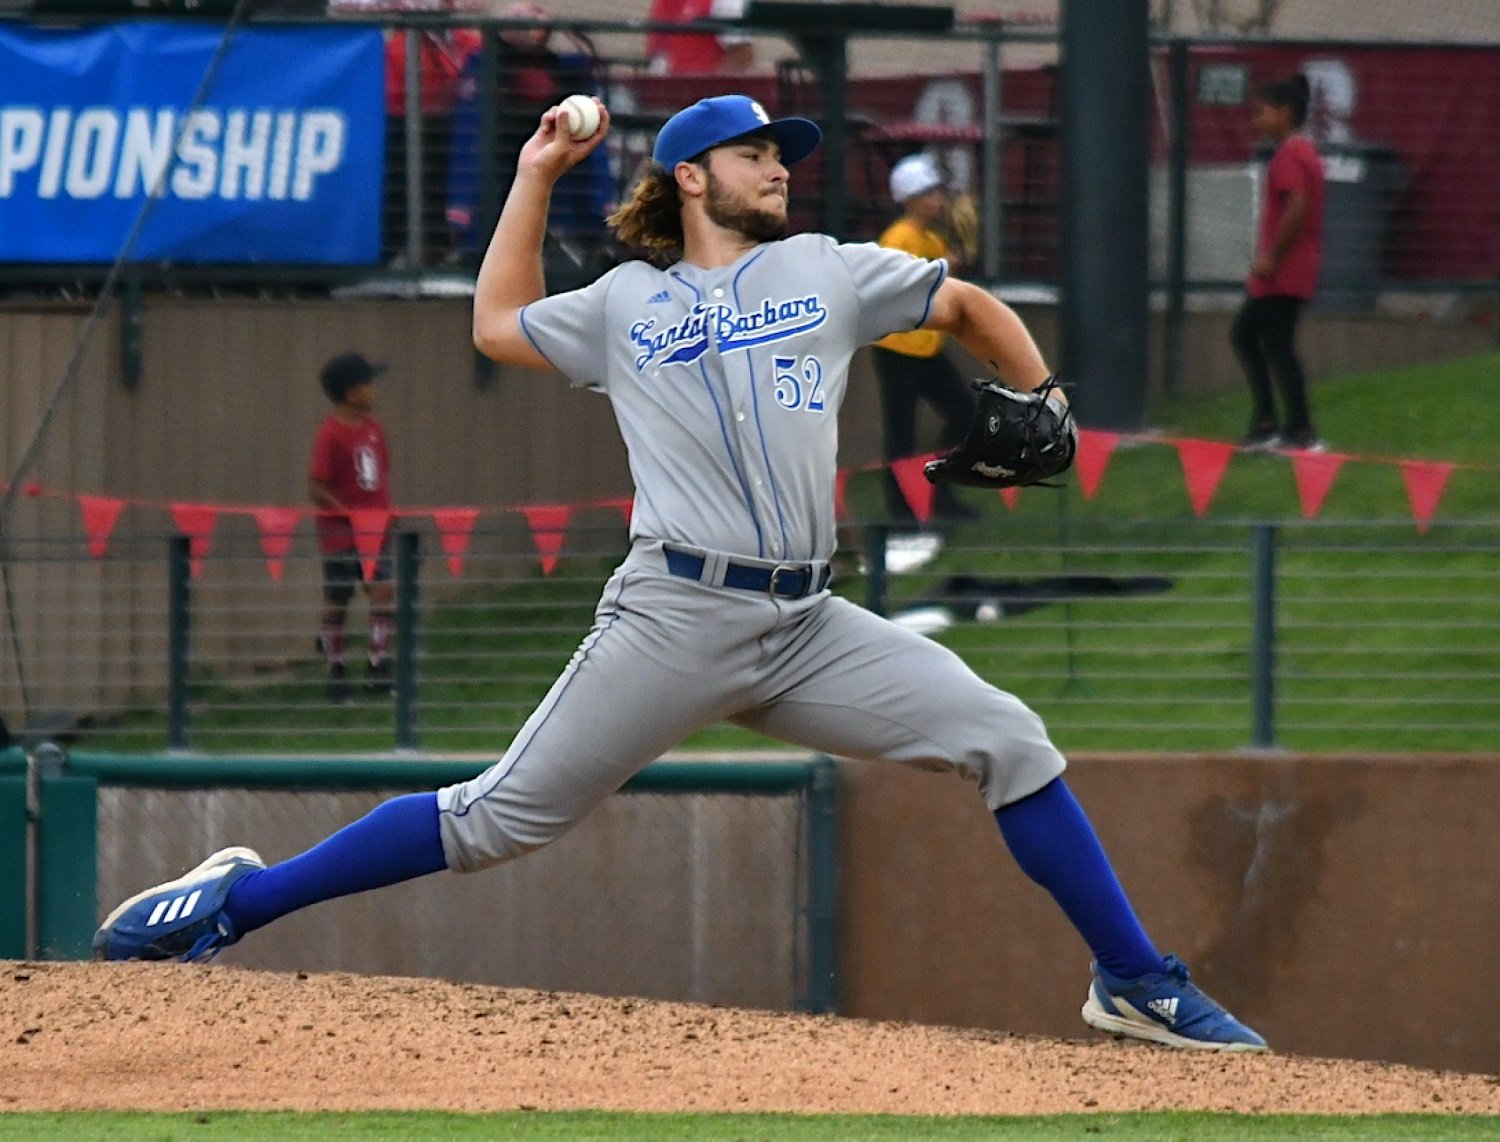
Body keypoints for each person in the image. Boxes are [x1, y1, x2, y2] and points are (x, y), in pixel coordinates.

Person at [93, 94, 1266, 1054]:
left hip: (807, 618)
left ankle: (1134, 977)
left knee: (1007, 734)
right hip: (673, 614)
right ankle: (233, 900)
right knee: (497, 818)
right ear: (692, 176)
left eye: (783, 153)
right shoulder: (623, 303)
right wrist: (540, 170)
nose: (780, 167)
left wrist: (1045, 393)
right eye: (755, 153)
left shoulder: (827, 268)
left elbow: (962, 302)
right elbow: (496, 323)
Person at [446, 2, 613, 265]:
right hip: (505, 156)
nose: (533, 34)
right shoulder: (484, 65)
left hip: (554, 157)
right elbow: (470, 135)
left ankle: (575, 249)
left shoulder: (563, 66)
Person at [872, 153, 980, 524]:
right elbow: (911, 282)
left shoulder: (929, 237)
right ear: (911, 198)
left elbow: (945, 271)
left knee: (965, 413)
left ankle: (939, 492)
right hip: (899, 347)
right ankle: (902, 511)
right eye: (931, 193)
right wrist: (948, 261)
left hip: (927, 347)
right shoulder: (898, 238)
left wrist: (962, 248)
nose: (939, 200)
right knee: (901, 430)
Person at [1232, 72, 1326, 452]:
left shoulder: (1290, 155)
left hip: (1284, 270)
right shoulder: (1305, 153)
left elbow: (1298, 207)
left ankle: (1294, 428)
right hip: (1293, 268)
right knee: (1256, 338)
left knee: (1265, 341)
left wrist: (1271, 257)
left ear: (1286, 113)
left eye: (1262, 112)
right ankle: (1272, 423)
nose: (1256, 121)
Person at [308, 352, 396, 704]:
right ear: (349, 391)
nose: (374, 390)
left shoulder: (374, 429)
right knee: (338, 600)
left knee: (382, 593)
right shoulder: (330, 434)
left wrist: (386, 516)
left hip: (376, 531)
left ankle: (378, 665)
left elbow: (381, 479)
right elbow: (317, 485)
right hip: (343, 535)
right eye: (367, 384)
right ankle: (336, 669)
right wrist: (347, 515)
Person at [646, 0, 754, 75]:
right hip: (668, 96)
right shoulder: (665, 4)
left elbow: (742, 54)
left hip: (703, 96)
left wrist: (709, 95)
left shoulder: (726, 2)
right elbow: (658, 54)